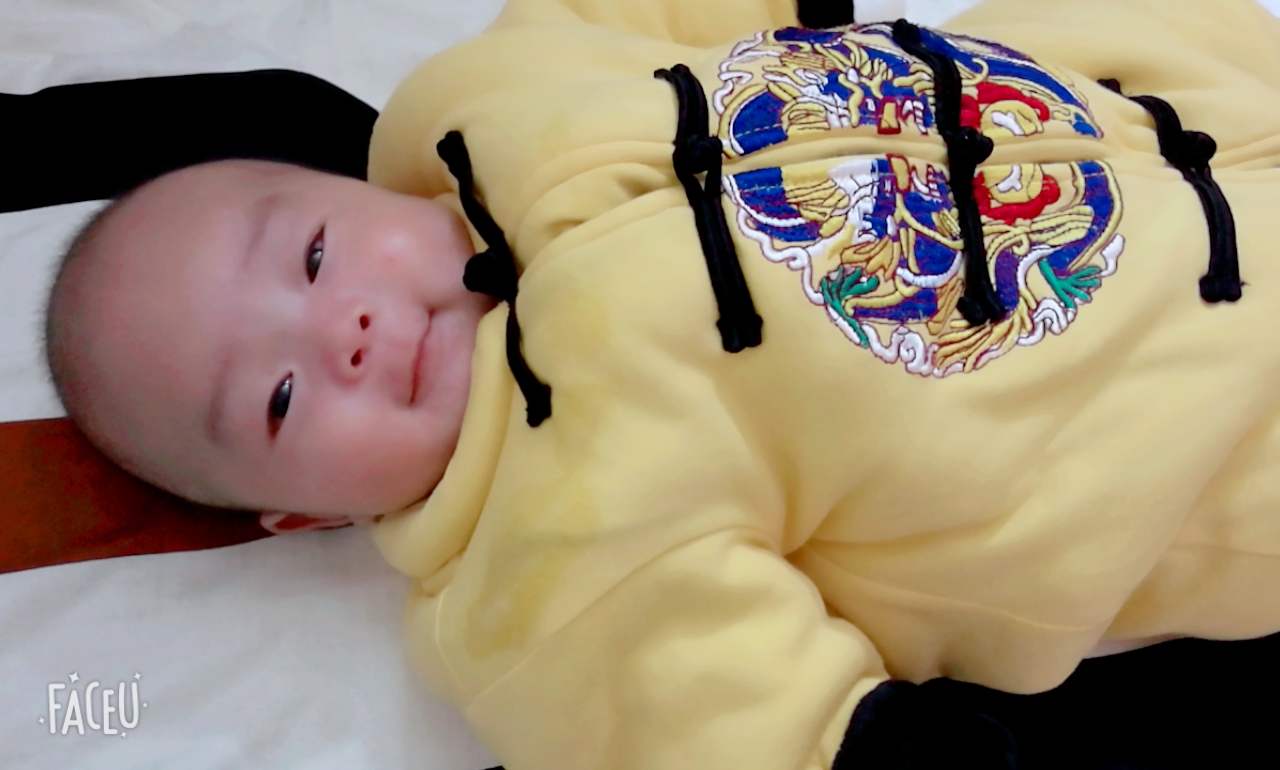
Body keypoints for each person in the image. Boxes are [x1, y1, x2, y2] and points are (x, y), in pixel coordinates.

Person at [21, 0, 1280, 767]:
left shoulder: (481, 103)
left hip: (1135, 84)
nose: (341, 330)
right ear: (306, 514)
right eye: (281, 401)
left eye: (310, 255)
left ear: (348, 185)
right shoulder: (539, 566)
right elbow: (714, 715)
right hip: (1195, 408)